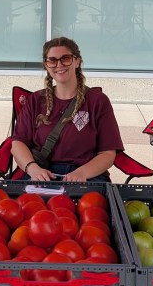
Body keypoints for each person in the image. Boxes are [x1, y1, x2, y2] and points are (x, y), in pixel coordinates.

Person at [10, 36, 123, 182]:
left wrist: (82, 173)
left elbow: (108, 153)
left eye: (66, 58)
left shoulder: (98, 101)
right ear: (46, 65)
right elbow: (18, 143)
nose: (59, 64)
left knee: (91, 198)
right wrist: (33, 169)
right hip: (42, 174)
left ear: (77, 61)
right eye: (52, 60)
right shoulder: (36, 100)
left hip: (86, 176)